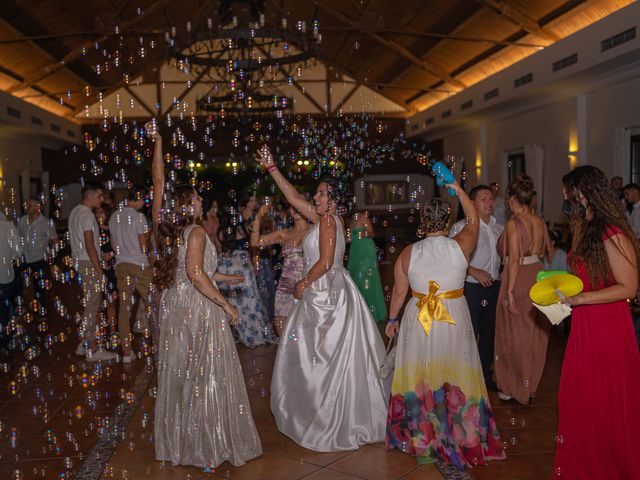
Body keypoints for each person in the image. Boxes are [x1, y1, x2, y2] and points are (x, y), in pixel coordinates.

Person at [258, 145, 388, 452]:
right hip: (327, 291)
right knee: (320, 358)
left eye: (321, 194)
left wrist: (303, 283)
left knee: (321, 356)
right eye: (315, 194)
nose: (315, 198)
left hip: (326, 294)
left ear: (334, 199)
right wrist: (273, 168)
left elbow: (327, 261)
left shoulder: (328, 222)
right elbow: (292, 198)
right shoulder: (322, 219)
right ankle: (321, 411)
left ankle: (323, 418)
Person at [150, 128, 262, 469]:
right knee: (204, 375)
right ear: (187, 205)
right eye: (196, 198)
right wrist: (226, 303)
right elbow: (197, 275)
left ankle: (179, 442)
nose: (199, 200)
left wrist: (228, 278)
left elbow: (158, 185)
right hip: (198, 308)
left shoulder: (166, 229)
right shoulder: (197, 230)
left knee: (181, 372)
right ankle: (206, 441)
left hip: (174, 306)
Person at [385, 181, 505, 469]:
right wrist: (458, 189)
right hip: (453, 314)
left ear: (423, 222)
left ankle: (421, 434)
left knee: (420, 372)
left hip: (419, 317)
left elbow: (400, 292)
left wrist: (391, 321)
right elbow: (474, 218)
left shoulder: (408, 253)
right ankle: (460, 431)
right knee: (454, 370)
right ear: (448, 221)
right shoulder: (462, 244)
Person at [554, 165, 640, 479]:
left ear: (584, 194)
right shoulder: (585, 228)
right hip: (584, 327)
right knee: (577, 400)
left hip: (607, 328)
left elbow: (628, 287)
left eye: (568, 194)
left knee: (604, 405)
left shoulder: (611, 232)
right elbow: (589, 277)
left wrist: (580, 300)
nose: (565, 199)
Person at [494, 175, 550, 404]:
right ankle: (530, 383)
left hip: (517, 279)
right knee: (534, 333)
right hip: (537, 274)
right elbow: (545, 252)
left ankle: (513, 387)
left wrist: (509, 291)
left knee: (512, 334)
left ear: (513, 198)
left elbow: (514, 260)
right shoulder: (539, 221)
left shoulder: (514, 223)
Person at [449, 184, 503, 391]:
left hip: (494, 287)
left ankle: (485, 377)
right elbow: (452, 257)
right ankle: (464, 377)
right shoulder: (461, 227)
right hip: (470, 288)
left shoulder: (499, 227)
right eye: (484, 199)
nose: (490, 203)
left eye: (491, 199)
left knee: (489, 334)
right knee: (469, 333)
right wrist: (473, 271)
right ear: (472, 203)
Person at [69, 182, 118, 362]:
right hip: (88, 264)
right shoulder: (88, 216)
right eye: (99, 196)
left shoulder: (75, 212)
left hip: (80, 263)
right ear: (90, 195)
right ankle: (93, 349)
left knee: (89, 303)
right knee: (92, 306)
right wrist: (100, 270)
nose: (102, 199)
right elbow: (90, 246)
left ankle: (83, 344)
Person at [217, 205, 276, 347]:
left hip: (226, 265)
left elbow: (219, 248)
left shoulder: (223, 230)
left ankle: (238, 333)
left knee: (234, 301)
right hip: (242, 266)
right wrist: (255, 265)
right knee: (249, 300)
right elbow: (254, 247)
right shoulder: (244, 228)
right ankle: (253, 333)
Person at [250, 203, 309, 336]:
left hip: (307, 284)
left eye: (298, 204)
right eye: (292, 206)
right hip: (285, 286)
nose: (295, 209)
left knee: (304, 331)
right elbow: (255, 242)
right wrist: (258, 218)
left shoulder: (315, 231)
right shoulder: (284, 234)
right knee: (281, 329)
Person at [109, 185, 153, 364]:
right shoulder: (138, 217)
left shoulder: (113, 217)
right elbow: (144, 246)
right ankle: (158, 343)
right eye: (145, 200)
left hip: (121, 265)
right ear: (139, 198)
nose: (145, 203)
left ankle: (126, 352)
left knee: (124, 309)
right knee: (154, 303)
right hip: (139, 265)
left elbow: (113, 245)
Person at [17, 197, 58, 312]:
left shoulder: (46, 222)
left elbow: (55, 240)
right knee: (18, 284)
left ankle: (41, 310)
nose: (26, 207)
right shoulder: (22, 220)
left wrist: (51, 253)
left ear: (37, 207)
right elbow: (17, 237)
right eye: (26, 205)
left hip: (39, 259)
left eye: (29, 205)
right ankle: (20, 308)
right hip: (23, 257)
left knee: (39, 287)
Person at [347, 210, 387, 323]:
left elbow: (371, 233)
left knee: (365, 279)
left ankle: (371, 312)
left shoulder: (363, 218)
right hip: (355, 251)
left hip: (366, 250)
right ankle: (360, 311)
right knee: (355, 280)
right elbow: (349, 238)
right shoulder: (351, 222)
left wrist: (363, 234)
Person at [0, 212, 23, 351]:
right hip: (5, 276)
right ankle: (7, 340)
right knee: (5, 308)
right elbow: (18, 252)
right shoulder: (8, 227)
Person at [95, 203, 118, 334]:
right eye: (97, 212)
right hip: (98, 269)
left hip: (111, 270)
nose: (99, 215)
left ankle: (113, 331)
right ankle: (98, 331)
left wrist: (112, 255)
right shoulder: (93, 231)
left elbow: (118, 247)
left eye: (101, 212)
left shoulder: (112, 230)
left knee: (111, 302)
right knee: (97, 303)